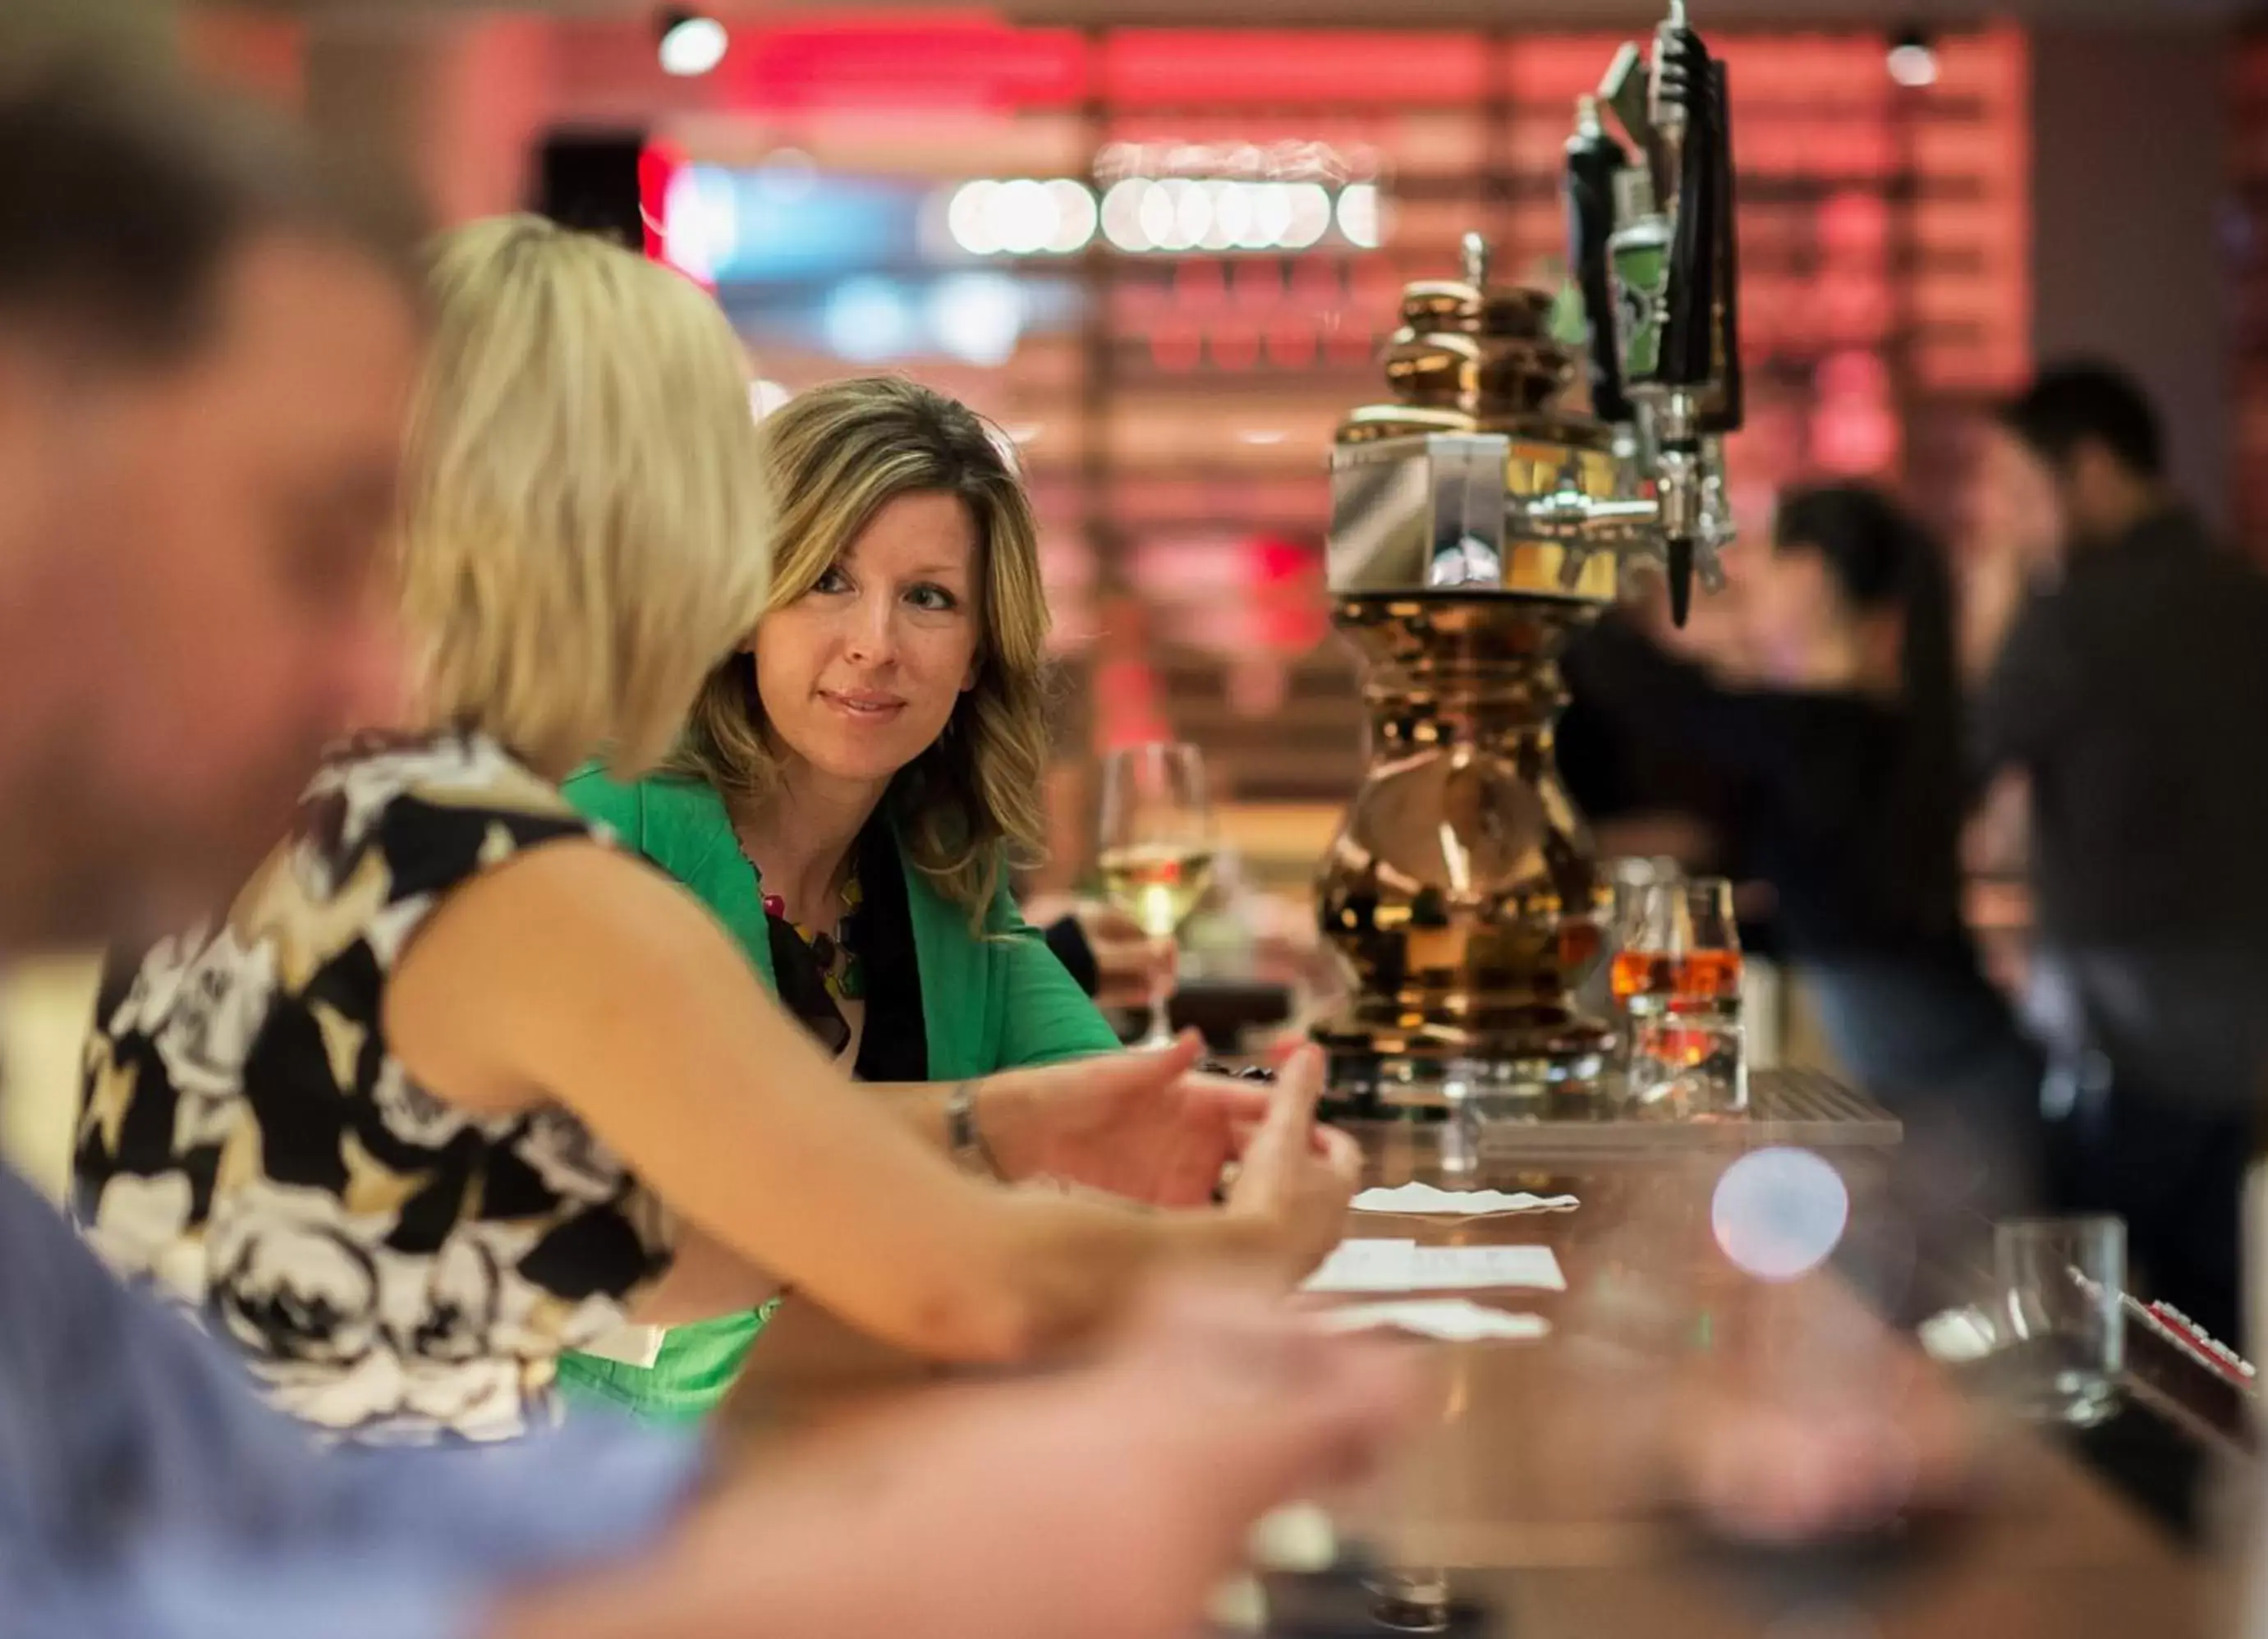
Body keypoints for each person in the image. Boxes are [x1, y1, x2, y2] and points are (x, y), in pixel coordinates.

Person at [0, 50, 1412, 1639]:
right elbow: (944, 1281)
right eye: (781, 553)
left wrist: (995, 1122)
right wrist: (1249, 1256)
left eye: (925, 600)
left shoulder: (336, 825)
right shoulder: (483, 864)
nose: (831, 621)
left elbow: (675, 1231)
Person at [557, 375, 1243, 1419]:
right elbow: (665, 1185)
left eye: (928, 597)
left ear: (975, 653)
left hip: (834, 1443)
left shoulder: (942, 870)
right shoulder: (611, 824)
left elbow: (1111, 1116)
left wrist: (1242, 1134)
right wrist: (999, 1130)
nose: (876, 642)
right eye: (828, 580)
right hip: (547, 1473)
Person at [1559, 485, 2043, 1214]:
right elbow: (1820, 916)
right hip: (1949, 1073)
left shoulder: (1825, 732)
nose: (1749, 579)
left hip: (1955, 1100)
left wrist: (1570, 582)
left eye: (1768, 557)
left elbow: (1656, 697)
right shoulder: (1859, 728)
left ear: (1812, 575)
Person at [1972, 360, 2268, 1346]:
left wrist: (1999, 609)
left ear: (2086, 470)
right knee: (2227, 1351)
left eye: (2019, 493)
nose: (2011, 523)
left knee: (2089, 1347)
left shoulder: (2073, 617)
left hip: (2125, 1043)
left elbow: (1957, 756)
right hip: (2266, 1035)